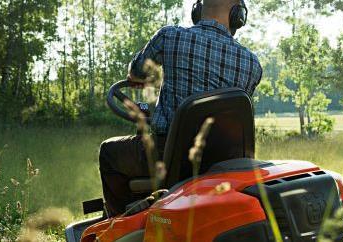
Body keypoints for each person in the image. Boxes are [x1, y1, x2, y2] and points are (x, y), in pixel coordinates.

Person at [97, 0, 263, 216]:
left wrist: (142, 80)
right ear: (237, 16)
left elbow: (136, 73)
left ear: (197, 10)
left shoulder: (170, 36)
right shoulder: (252, 64)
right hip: (225, 163)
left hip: (168, 155)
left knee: (109, 153)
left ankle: (124, 223)